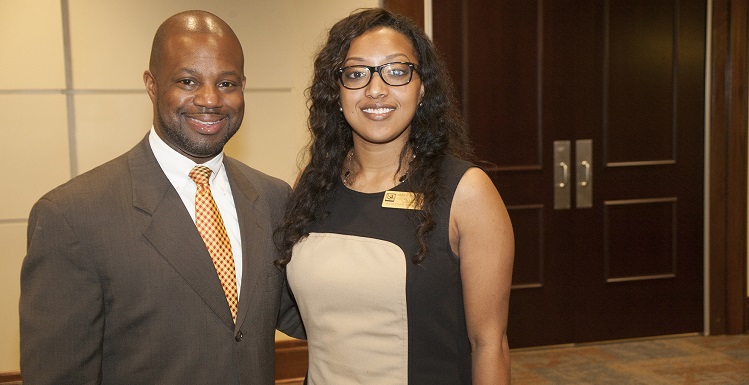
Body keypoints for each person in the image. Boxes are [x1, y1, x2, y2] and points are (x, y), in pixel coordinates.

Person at [20, 10, 302, 385]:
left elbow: (303, 311)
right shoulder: (72, 217)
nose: (210, 99)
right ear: (152, 85)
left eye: (227, 83)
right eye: (187, 80)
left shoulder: (272, 197)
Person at [274, 7, 514, 385]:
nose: (375, 89)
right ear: (336, 93)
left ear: (422, 88)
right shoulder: (312, 183)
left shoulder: (467, 192)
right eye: (355, 74)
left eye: (397, 71)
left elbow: (489, 344)